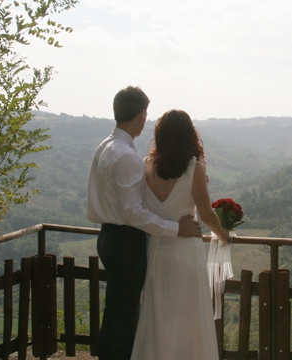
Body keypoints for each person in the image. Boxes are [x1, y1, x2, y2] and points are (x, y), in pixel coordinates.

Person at [87, 86, 203, 360]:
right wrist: (176, 228)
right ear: (140, 115)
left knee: (116, 308)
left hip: (108, 235)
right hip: (126, 239)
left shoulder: (106, 146)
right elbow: (133, 213)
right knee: (124, 314)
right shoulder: (127, 156)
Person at [130, 109, 231, 360]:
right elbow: (207, 215)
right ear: (190, 135)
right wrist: (224, 234)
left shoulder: (147, 165)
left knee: (158, 313)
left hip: (156, 247)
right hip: (186, 249)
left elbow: (142, 208)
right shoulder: (194, 168)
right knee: (188, 315)